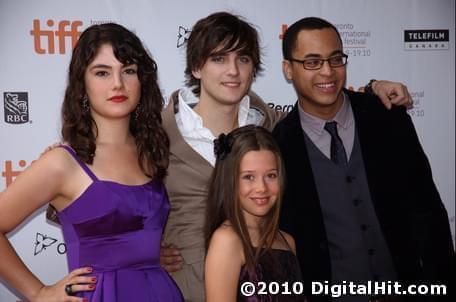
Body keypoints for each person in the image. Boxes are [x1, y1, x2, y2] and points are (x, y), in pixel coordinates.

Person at [160, 11, 415, 302]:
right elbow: (130, 201)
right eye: (219, 58)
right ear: (196, 66)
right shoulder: (158, 136)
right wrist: (143, 252)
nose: (232, 71)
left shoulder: (275, 128)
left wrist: (373, 88)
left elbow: (326, 105)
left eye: (243, 59)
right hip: (186, 291)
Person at [272, 17, 454, 302]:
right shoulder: (279, 145)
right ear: (288, 69)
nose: (327, 72)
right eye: (312, 62)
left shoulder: (387, 117)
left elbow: (428, 210)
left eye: (336, 59)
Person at [0, 23, 183, 301]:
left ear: (142, 81)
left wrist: (144, 254)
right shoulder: (62, 162)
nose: (117, 84)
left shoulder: (153, 150)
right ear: (82, 84)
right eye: (102, 72)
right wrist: (38, 292)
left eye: (129, 71)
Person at [205, 125, 304, 302]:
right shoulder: (227, 241)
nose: (262, 188)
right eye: (248, 177)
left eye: (271, 176)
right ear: (229, 180)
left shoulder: (287, 242)